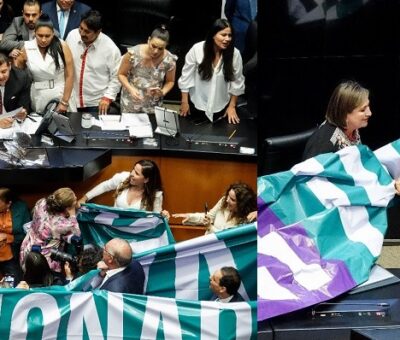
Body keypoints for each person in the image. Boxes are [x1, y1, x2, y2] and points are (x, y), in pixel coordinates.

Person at [178, 18, 245, 124]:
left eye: (230, 35)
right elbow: (186, 77)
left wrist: (232, 106)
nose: (227, 39)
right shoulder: (197, 49)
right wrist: (184, 101)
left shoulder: (235, 54)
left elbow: (237, 83)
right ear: (213, 35)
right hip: (197, 104)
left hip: (221, 106)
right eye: (223, 35)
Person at [66, 10, 121, 114]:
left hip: (96, 103)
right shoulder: (72, 36)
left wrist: (108, 97)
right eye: (81, 28)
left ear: (98, 31)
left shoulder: (111, 49)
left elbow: (117, 76)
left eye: (87, 31)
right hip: (72, 99)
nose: (82, 33)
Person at [302, 80, 372, 160]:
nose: (369, 113)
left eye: (368, 106)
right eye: (362, 110)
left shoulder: (352, 129)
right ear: (344, 113)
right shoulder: (323, 144)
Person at [22, 13, 76, 113]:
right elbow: (20, 77)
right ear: (34, 32)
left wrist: (64, 102)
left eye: (47, 36)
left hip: (61, 95)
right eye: (40, 35)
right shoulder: (27, 48)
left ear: (53, 33)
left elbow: (70, 75)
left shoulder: (62, 45)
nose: (43, 39)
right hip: (38, 96)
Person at [19, 187, 81, 273]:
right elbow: (77, 234)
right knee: (45, 283)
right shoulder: (63, 224)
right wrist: (72, 214)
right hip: (44, 260)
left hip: (28, 251)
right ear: (67, 208)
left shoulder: (41, 202)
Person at [118, 25, 177, 114]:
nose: (156, 51)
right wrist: (130, 89)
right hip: (131, 101)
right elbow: (121, 74)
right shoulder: (133, 54)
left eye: (160, 48)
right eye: (153, 46)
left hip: (153, 104)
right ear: (149, 40)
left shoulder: (169, 60)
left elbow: (170, 81)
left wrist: (163, 92)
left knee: (152, 126)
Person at [77, 159, 166, 213]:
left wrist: (164, 216)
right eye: (133, 169)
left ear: (146, 180)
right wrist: (84, 198)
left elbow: (157, 218)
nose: (131, 174)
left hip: (136, 235)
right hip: (114, 229)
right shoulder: (123, 177)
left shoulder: (156, 195)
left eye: (136, 173)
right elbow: (104, 186)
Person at [172, 182, 257, 234]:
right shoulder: (224, 201)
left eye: (232, 199)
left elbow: (228, 238)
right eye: (228, 196)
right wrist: (190, 216)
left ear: (242, 204)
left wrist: (210, 227)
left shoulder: (247, 219)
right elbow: (209, 217)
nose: (227, 200)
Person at [0, 187, 31, 285]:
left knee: (12, 285)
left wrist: (7, 237)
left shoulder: (21, 209)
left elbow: (27, 235)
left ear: (8, 203)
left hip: (11, 257)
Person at [0, 52, 31, 129]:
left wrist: (23, 114)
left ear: (10, 66)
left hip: (13, 124)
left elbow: (24, 106)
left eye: (4, 71)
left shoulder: (21, 78)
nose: (0, 77)